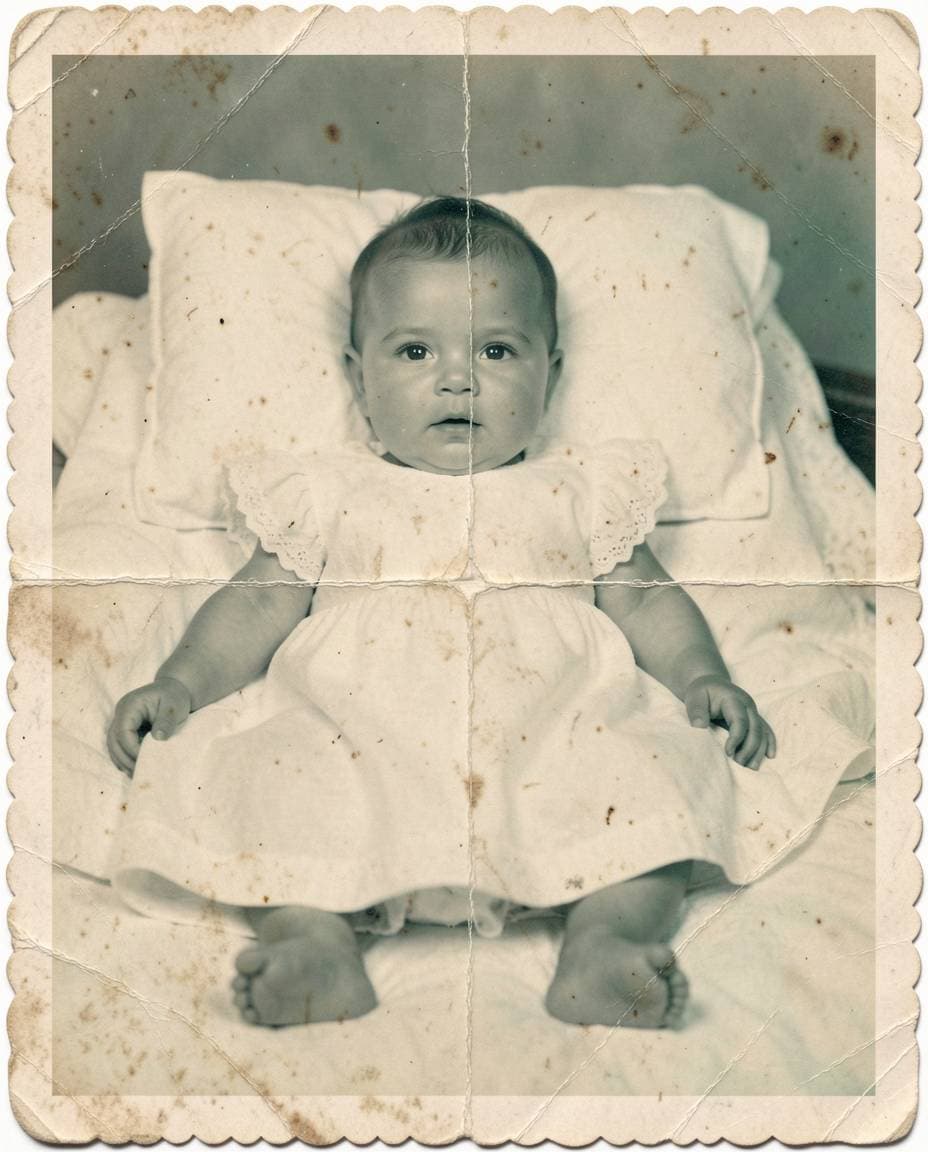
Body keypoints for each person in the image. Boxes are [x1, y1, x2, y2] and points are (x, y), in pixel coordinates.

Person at [107, 196, 780, 1031]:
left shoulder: (583, 488)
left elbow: (646, 598)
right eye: (415, 350)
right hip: (359, 726)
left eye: (497, 349)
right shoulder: (322, 488)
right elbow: (256, 602)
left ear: (553, 371)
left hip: (554, 725)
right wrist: (180, 683)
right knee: (272, 789)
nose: (457, 378)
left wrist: (702, 675)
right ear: (359, 376)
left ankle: (605, 943)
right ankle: (312, 943)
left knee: (657, 786)